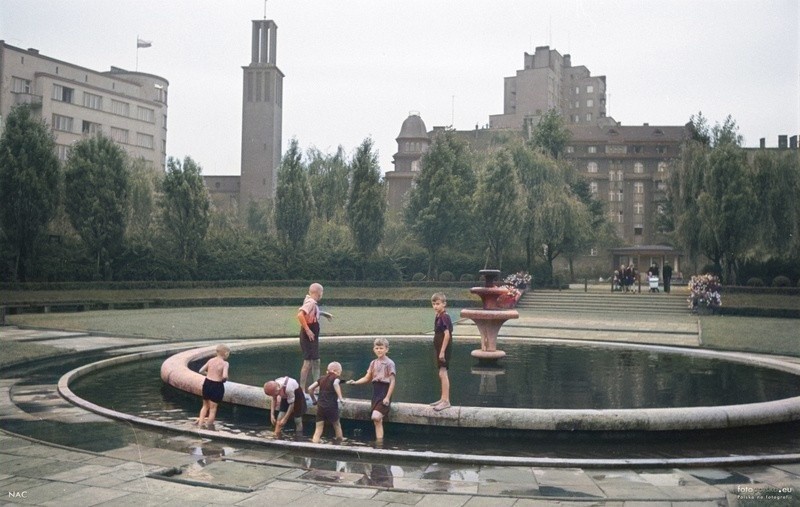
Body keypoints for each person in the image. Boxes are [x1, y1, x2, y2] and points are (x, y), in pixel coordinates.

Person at [346, 337, 396, 442]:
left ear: (386, 349)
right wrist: (355, 382)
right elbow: (367, 378)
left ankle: (380, 441)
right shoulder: (373, 363)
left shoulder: (389, 363)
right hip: (376, 392)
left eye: (381, 348)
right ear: (374, 349)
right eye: (377, 348)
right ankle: (379, 442)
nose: (379, 350)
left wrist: (387, 397)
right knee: (377, 421)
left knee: (376, 417)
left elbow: (392, 381)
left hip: (384, 391)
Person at [297, 283, 334, 391]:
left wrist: (324, 314)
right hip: (309, 333)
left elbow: (311, 313)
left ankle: (316, 386)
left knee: (316, 360)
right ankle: (302, 389)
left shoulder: (310, 301)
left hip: (312, 332)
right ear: (319, 293)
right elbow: (300, 314)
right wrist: (308, 330)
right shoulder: (311, 302)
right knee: (308, 362)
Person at [307, 361, 345, 443]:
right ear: (336, 371)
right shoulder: (335, 378)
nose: (339, 374)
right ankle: (340, 442)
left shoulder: (321, 378)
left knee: (318, 429)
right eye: (340, 372)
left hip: (320, 406)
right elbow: (335, 384)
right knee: (337, 425)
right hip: (331, 406)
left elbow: (310, 388)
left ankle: (313, 445)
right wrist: (340, 398)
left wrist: (314, 400)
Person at [196, 344, 230, 428]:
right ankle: (209, 427)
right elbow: (224, 376)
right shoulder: (225, 363)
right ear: (226, 353)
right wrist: (224, 379)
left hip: (207, 383)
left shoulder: (211, 360)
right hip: (216, 385)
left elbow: (200, 371)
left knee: (204, 406)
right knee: (213, 409)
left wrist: (209, 374)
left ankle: (200, 424)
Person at [430, 292, 452, 411]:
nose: (435, 306)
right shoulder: (438, 315)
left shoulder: (444, 316)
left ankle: (446, 400)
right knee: (441, 373)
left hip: (444, 348)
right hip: (439, 347)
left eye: (438, 304)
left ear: (444, 304)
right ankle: (443, 398)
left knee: (443, 373)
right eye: (433, 304)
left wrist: (442, 351)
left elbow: (447, 335)